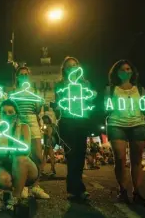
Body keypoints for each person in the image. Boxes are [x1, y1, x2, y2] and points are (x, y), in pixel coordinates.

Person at [105, 59, 145, 204]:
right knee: (120, 158)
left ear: (132, 71)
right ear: (116, 73)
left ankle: (136, 192)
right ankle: (122, 190)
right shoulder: (111, 89)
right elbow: (107, 107)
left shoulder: (140, 89)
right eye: (122, 69)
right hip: (116, 124)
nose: (126, 71)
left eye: (128, 69)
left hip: (138, 124)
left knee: (137, 160)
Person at [54, 56, 97, 201]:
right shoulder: (60, 85)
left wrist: (91, 96)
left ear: (78, 67)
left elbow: (90, 99)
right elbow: (58, 103)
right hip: (67, 121)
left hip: (82, 120)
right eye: (68, 66)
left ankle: (74, 188)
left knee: (80, 153)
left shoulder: (86, 84)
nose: (72, 68)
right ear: (64, 69)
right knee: (71, 154)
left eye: (74, 65)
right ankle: (77, 188)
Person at [0, 99, 39, 210]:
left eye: (11, 112)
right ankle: (15, 190)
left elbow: (25, 151)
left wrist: (15, 133)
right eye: (4, 112)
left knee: (19, 159)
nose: (7, 115)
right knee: (2, 179)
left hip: (25, 168)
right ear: (0, 114)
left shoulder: (24, 127)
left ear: (16, 113)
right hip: (6, 167)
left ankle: (16, 196)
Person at [9, 66, 49, 199]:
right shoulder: (14, 92)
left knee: (37, 154)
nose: (24, 76)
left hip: (32, 120)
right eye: (21, 74)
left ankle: (35, 186)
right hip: (19, 121)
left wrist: (40, 103)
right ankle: (24, 186)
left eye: (26, 74)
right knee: (22, 154)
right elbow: (12, 110)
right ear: (17, 77)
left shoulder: (35, 91)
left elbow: (37, 110)